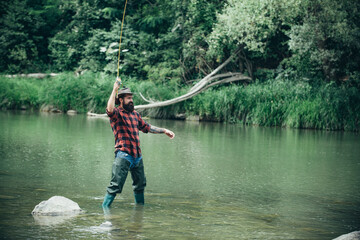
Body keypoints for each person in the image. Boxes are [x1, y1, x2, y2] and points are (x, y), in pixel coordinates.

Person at [102, 77, 175, 208]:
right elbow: (110, 109)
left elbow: (147, 127)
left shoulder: (135, 115)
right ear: (121, 100)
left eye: (131, 98)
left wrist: (164, 130)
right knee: (115, 186)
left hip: (137, 157)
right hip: (123, 155)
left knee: (140, 185)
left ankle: (139, 211)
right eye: (128, 98)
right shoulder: (117, 114)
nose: (131, 100)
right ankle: (105, 211)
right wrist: (115, 89)